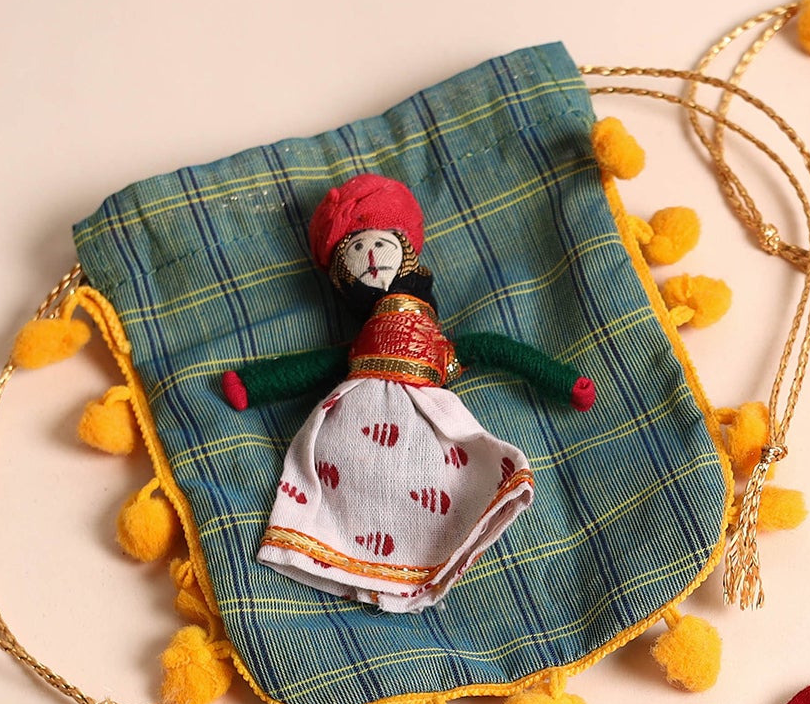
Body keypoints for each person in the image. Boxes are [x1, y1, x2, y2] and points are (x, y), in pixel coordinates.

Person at [220, 173, 594, 611]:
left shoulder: (439, 347)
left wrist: (561, 381)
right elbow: (319, 364)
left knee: (438, 478)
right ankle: (351, 554)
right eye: (356, 249)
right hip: (353, 429)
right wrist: (254, 383)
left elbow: (493, 348)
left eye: (380, 243)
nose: (370, 256)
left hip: (423, 419)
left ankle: (410, 561)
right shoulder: (360, 346)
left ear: (406, 251)